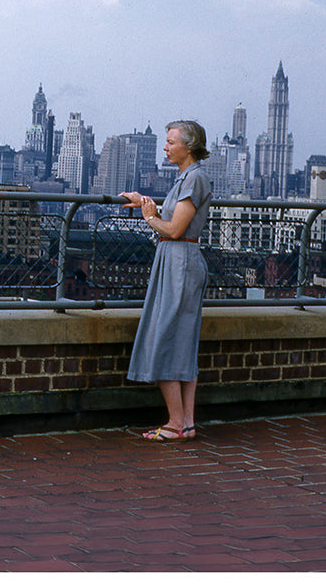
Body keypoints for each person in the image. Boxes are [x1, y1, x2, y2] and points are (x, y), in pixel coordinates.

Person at [119, 120, 212, 442]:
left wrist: (149, 217)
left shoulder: (195, 178)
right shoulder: (187, 179)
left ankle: (175, 423)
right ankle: (184, 424)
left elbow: (174, 229)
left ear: (188, 146)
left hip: (180, 263)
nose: (165, 147)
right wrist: (146, 203)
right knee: (180, 342)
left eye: (171, 142)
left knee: (165, 340)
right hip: (177, 262)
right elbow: (174, 220)